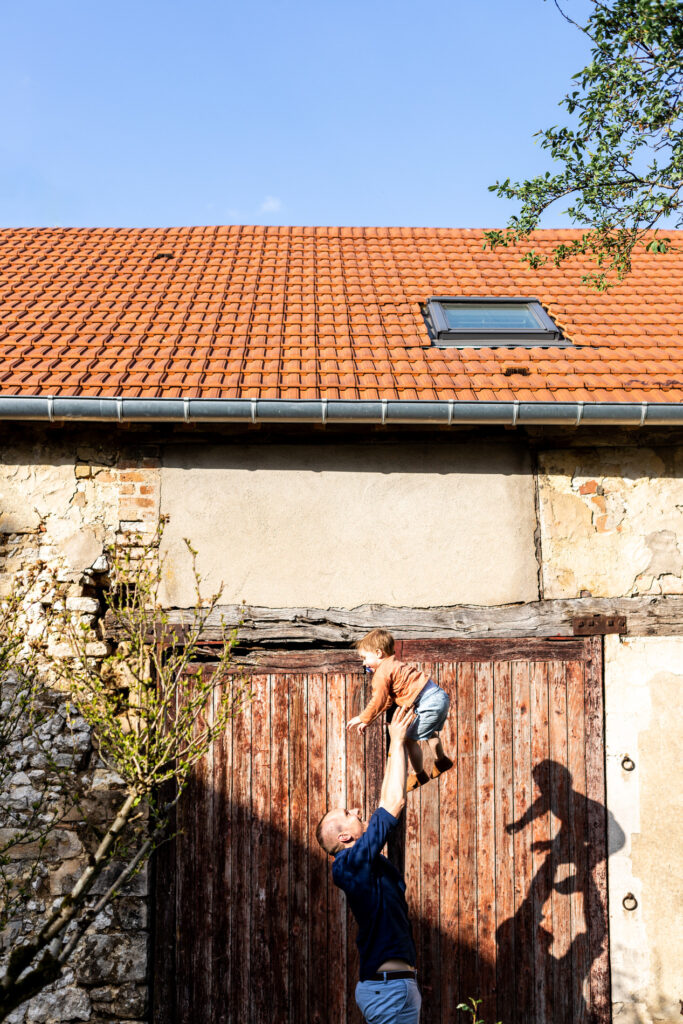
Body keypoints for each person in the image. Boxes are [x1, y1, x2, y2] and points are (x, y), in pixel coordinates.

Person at [315, 704, 422, 1024]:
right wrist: (397, 740)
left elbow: (389, 800)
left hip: (399, 988)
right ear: (345, 838)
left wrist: (398, 745)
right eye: (349, 814)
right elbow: (392, 804)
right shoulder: (350, 866)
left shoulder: (364, 863)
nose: (358, 810)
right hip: (385, 992)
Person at [346, 628, 453, 791]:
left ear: (378, 653)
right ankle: (441, 761)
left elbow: (378, 700)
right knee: (430, 734)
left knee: (409, 738)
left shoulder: (382, 673)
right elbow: (387, 702)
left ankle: (419, 775)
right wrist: (370, 720)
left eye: (365, 658)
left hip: (428, 702)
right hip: (439, 696)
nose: (363, 663)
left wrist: (362, 717)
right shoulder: (395, 665)